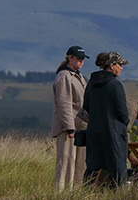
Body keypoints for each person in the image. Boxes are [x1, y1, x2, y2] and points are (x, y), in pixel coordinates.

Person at [83, 52, 130, 188]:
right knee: (117, 169)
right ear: (112, 65)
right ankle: (118, 199)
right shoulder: (115, 85)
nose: (121, 68)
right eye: (120, 65)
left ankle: (88, 194)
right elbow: (123, 113)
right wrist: (123, 124)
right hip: (113, 133)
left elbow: (86, 106)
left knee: (93, 167)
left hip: (94, 131)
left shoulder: (91, 83)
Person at [50, 45, 87, 191]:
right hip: (68, 128)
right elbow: (64, 103)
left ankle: (76, 194)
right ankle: (61, 195)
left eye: (83, 59)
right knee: (66, 162)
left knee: (80, 164)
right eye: (78, 58)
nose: (81, 61)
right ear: (70, 58)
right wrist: (69, 127)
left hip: (80, 126)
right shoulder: (64, 76)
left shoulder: (79, 76)